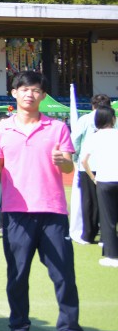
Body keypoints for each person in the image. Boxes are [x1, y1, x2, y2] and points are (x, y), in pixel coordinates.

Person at [0, 71, 86, 331]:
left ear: (43, 95)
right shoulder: (1, 130)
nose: (29, 94)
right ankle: (20, 328)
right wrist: (15, 190)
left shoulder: (57, 128)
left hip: (52, 211)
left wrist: (63, 162)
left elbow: (68, 167)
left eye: (35, 90)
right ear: (14, 93)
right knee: (17, 275)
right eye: (24, 89)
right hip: (16, 213)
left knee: (64, 274)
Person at [80, 106, 118, 267]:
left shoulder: (94, 137)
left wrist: (92, 177)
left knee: (108, 219)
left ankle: (112, 256)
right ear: (113, 119)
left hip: (104, 180)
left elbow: (83, 160)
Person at [72, 94, 112, 244]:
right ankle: (106, 236)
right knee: (108, 201)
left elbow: (75, 140)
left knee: (88, 201)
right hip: (107, 165)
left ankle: (88, 235)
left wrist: (75, 158)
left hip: (87, 165)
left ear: (92, 105)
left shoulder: (85, 119)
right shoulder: (112, 120)